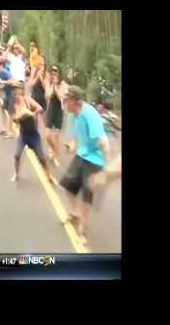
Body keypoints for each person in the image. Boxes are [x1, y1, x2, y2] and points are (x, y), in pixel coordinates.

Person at [60, 85, 110, 246]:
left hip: (95, 160)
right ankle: (74, 213)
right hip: (82, 154)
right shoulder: (74, 115)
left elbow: (103, 141)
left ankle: (82, 230)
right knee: (68, 185)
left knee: (87, 197)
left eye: (67, 100)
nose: (65, 102)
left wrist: (106, 170)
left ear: (75, 101)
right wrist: (71, 145)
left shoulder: (89, 114)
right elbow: (76, 136)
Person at [11, 86, 56, 184]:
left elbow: (40, 108)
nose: (17, 94)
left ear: (21, 91)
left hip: (34, 134)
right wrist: (19, 118)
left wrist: (31, 113)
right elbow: (14, 119)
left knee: (41, 158)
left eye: (18, 91)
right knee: (17, 155)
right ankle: (16, 174)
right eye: (15, 93)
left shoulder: (27, 100)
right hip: (23, 135)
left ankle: (49, 176)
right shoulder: (15, 105)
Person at [45, 65, 69, 168]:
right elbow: (48, 96)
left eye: (56, 70)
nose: (54, 72)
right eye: (52, 70)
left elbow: (61, 98)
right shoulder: (48, 82)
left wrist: (56, 86)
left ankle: (54, 156)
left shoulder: (63, 84)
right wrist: (52, 85)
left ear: (59, 72)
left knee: (56, 136)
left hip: (59, 110)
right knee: (47, 135)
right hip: (51, 109)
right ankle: (52, 151)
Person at [0, 61, 17, 139]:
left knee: (11, 113)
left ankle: (10, 132)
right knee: (2, 109)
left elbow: (13, 81)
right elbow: (0, 86)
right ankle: (5, 128)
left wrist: (3, 82)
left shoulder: (2, 71)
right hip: (8, 93)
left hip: (13, 92)